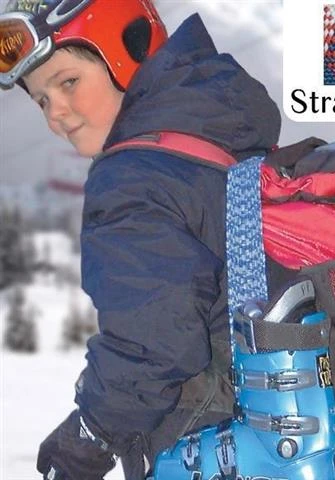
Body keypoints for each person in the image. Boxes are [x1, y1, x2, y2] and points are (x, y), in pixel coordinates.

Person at [0, 0, 281, 478]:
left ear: (127, 52)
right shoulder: (221, 140)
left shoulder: (132, 178)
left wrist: (86, 438)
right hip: (283, 432)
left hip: (213, 448)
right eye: (42, 99)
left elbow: (154, 343)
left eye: (68, 82)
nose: (55, 114)